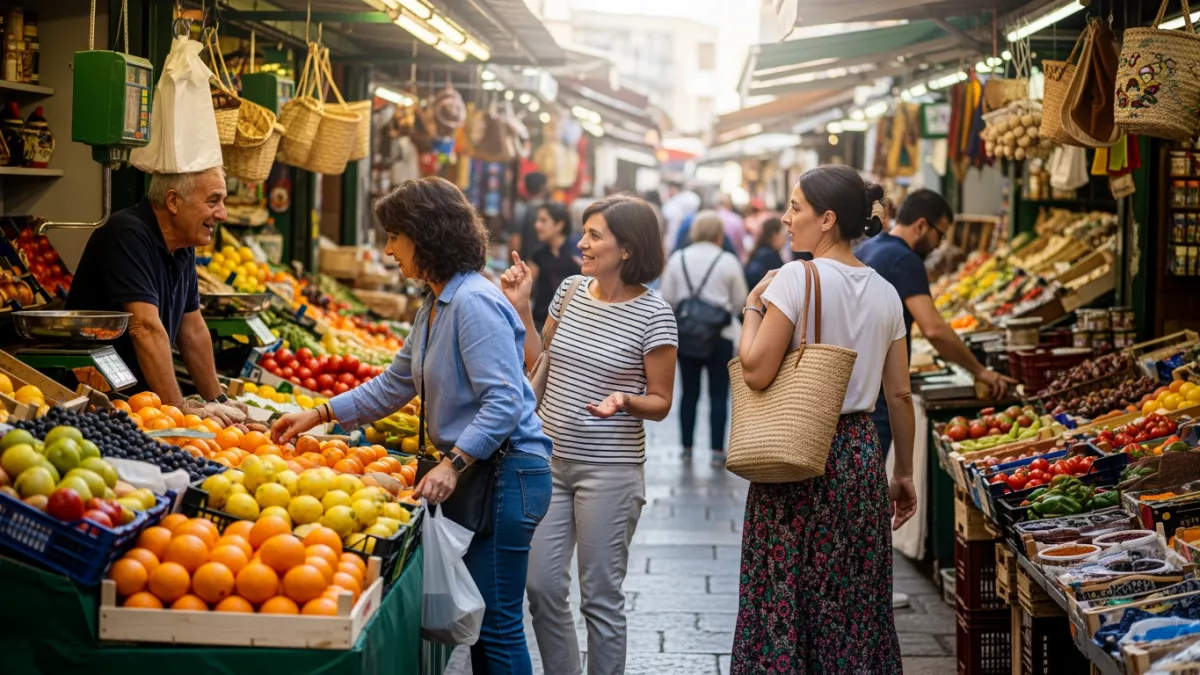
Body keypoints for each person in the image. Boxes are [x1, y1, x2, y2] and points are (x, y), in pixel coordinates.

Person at [272, 177, 553, 675]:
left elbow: (507, 400)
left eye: (394, 236)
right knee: (488, 623)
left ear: (424, 235)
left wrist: (453, 462)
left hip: (508, 475)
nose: (387, 249)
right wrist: (317, 415)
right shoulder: (435, 305)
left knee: (498, 625)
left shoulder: (473, 303)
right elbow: (393, 385)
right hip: (486, 473)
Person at [731, 165, 917, 673]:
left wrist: (752, 308)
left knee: (786, 593)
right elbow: (899, 395)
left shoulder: (795, 278)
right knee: (853, 599)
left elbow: (755, 369)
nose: (786, 219)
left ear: (828, 218)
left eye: (795, 207)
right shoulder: (885, 292)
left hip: (800, 448)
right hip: (858, 455)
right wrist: (902, 473)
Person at [499, 195, 678, 675]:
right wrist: (521, 308)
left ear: (627, 247)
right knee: (540, 587)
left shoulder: (655, 315)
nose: (582, 242)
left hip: (611, 473)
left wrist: (624, 400)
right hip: (549, 464)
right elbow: (539, 362)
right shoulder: (571, 290)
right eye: (584, 232)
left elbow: (661, 401)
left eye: (594, 235)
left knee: (599, 598)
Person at [66, 168, 246, 424]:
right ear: (173, 201)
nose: (223, 214)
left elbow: (192, 329)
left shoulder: (183, 246)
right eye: (213, 200)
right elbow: (145, 327)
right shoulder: (127, 233)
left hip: (145, 407)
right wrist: (179, 409)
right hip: (101, 406)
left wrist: (218, 400)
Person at [857, 188, 1016, 457]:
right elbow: (933, 329)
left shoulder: (869, 248)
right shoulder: (905, 259)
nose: (940, 244)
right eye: (939, 234)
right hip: (880, 396)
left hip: (858, 389)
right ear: (921, 225)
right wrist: (980, 371)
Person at [659, 211, 747, 466]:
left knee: (689, 392)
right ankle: (717, 451)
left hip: (687, 336)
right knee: (719, 394)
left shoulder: (678, 259)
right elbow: (740, 301)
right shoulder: (728, 261)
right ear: (719, 234)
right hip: (720, 336)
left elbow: (669, 299)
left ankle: (686, 448)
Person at [528, 201, 582, 330]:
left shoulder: (577, 252)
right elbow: (527, 287)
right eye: (537, 220)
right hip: (541, 322)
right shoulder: (538, 254)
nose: (537, 225)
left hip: (570, 324)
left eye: (543, 221)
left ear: (559, 225)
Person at [509, 171, 551, 261]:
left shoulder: (520, 209)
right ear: (543, 187)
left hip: (526, 263)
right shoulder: (549, 210)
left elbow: (514, 242)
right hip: (544, 263)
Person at [743, 216, 786, 290]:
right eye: (784, 236)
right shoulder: (771, 257)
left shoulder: (759, 251)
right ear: (775, 236)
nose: (785, 240)